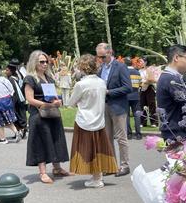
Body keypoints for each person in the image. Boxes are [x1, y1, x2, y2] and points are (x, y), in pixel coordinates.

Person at [66, 54, 118, 188]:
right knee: (98, 149)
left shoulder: (80, 84)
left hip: (84, 120)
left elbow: (70, 103)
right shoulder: (101, 82)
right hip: (99, 120)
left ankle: (96, 178)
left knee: (86, 149)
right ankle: (97, 177)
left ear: (82, 67)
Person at [23, 50, 70, 184]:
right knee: (41, 142)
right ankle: (42, 172)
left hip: (52, 114)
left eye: (46, 61)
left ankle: (57, 168)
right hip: (39, 115)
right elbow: (30, 99)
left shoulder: (48, 77)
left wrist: (58, 101)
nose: (45, 64)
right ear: (34, 63)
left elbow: (53, 95)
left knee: (56, 139)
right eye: (41, 62)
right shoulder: (30, 79)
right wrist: (46, 105)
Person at [96, 43, 132, 177]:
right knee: (107, 138)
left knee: (121, 138)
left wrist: (109, 92)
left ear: (110, 52)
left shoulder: (120, 66)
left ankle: (124, 165)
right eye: (99, 57)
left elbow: (128, 87)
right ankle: (111, 166)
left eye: (103, 56)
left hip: (118, 106)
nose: (101, 59)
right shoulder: (101, 68)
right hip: (104, 106)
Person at [156, 44, 186, 141]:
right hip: (176, 133)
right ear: (176, 58)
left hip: (173, 131)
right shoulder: (171, 79)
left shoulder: (170, 77)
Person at [0, 66, 21, 144]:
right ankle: (16, 132)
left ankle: (3, 139)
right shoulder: (5, 80)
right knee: (9, 120)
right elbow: (12, 91)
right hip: (8, 102)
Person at [5, 59, 28, 138]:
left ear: (11, 70)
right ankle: (21, 130)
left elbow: (14, 91)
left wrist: (13, 102)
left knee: (17, 115)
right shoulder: (20, 74)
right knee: (21, 114)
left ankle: (22, 130)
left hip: (16, 99)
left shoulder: (11, 78)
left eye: (7, 70)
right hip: (22, 98)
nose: (5, 72)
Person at [125, 57, 143, 140]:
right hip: (136, 96)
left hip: (126, 96)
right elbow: (140, 85)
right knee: (137, 115)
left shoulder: (124, 72)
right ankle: (138, 134)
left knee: (127, 116)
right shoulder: (137, 72)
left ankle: (129, 134)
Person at [140, 61, 159, 127]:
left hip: (150, 88)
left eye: (141, 61)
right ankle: (142, 122)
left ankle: (154, 122)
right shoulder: (140, 70)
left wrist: (146, 81)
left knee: (152, 105)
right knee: (142, 105)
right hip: (142, 89)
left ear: (145, 62)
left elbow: (153, 79)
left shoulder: (151, 69)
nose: (140, 62)